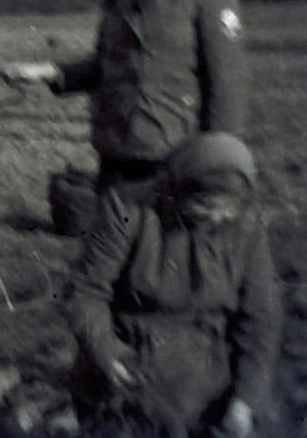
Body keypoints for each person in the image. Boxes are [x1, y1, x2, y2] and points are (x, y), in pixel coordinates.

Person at [0, 0, 248, 221]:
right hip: (117, 152)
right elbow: (105, 67)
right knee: (114, 251)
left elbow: (227, 85)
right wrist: (46, 72)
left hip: (175, 156)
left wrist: (217, 171)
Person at [65, 132, 281, 437]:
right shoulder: (127, 209)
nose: (215, 217)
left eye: (226, 210)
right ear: (177, 189)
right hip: (130, 362)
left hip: (206, 372)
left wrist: (245, 402)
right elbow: (85, 292)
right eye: (204, 206)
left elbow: (259, 320)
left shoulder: (246, 227)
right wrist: (107, 352)